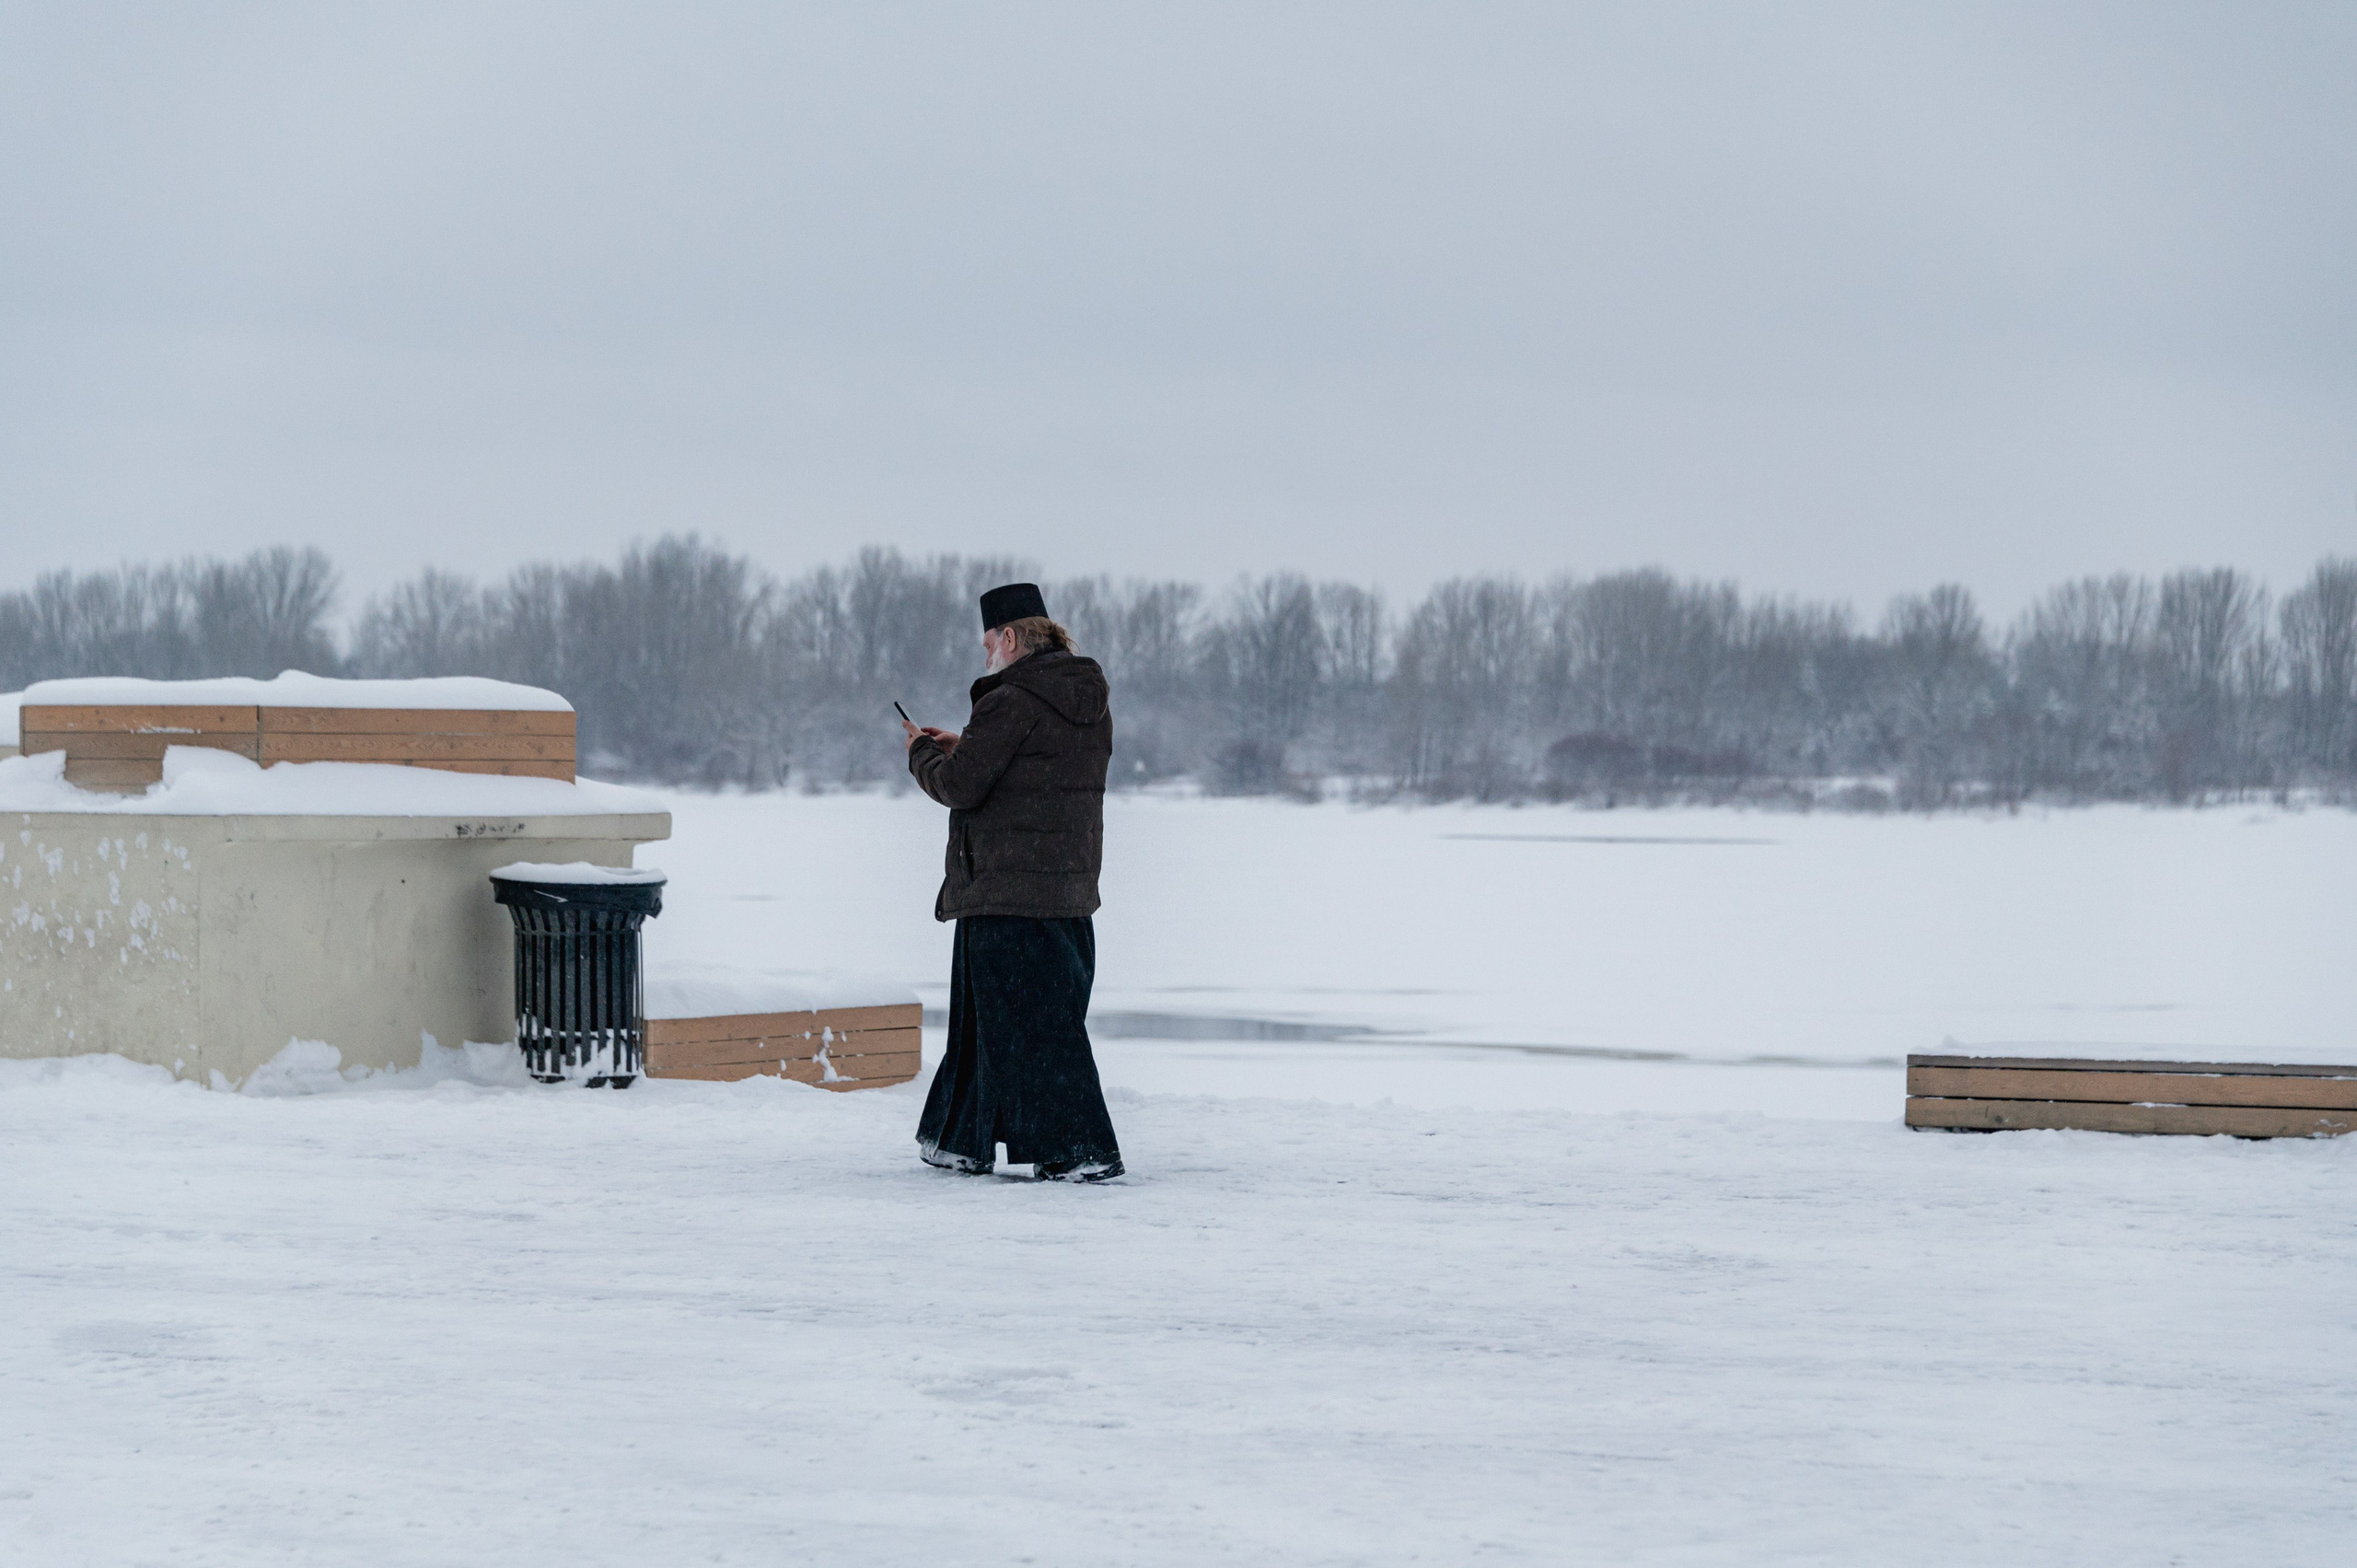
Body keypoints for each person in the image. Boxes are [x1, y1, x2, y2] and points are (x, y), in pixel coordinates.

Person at [901, 582, 1124, 1181]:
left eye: (987, 644)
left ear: (1009, 637)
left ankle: (1081, 1150)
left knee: (1025, 1033)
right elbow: (1027, 765)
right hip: (1069, 895)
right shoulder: (1087, 700)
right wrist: (965, 743)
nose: (985, 657)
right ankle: (960, 1142)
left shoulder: (1011, 701)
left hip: (1004, 894)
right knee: (1010, 1027)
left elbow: (960, 786)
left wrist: (922, 753)